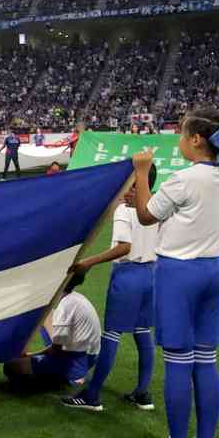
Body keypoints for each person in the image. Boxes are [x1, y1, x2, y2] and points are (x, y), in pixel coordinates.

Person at [130, 107, 219, 438]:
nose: (178, 141)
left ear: (195, 140)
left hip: (179, 273)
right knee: (206, 359)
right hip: (214, 269)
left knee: (178, 360)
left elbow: (146, 216)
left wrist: (141, 172)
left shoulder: (183, 179)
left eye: (181, 134)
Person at [62, 165, 160, 412]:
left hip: (128, 276)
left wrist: (88, 262)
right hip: (152, 274)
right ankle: (143, 393)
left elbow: (124, 247)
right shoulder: (157, 205)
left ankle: (92, 395)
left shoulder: (125, 209)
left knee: (112, 335)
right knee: (142, 331)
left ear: (135, 185)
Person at [3, 272, 101, 391]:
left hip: (74, 362)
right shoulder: (76, 298)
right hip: (88, 356)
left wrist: (30, 355)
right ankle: (64, 374)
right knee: (46, 313)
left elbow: (56, 350)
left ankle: (63, 378)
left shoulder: (65, 306)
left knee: (11, 366)